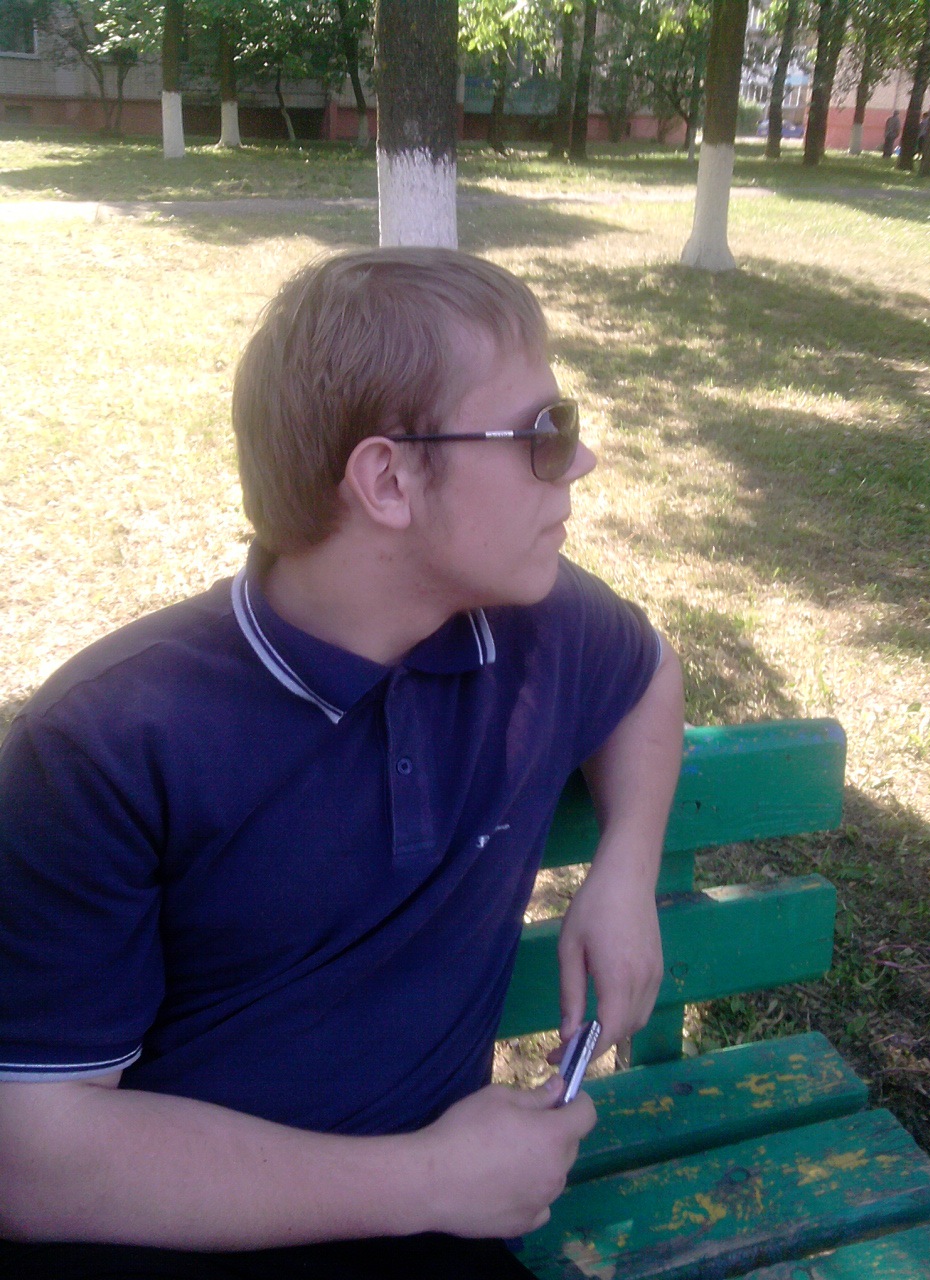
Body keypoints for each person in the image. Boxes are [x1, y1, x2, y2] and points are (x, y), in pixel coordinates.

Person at [0, 248, 684, 1279]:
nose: (581, 461)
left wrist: (625, 871)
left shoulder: (536, 626)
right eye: (545, 432)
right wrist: (429, 1181)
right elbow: (28, 1154)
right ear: (388, 480)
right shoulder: (108, 740)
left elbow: (649, 675)